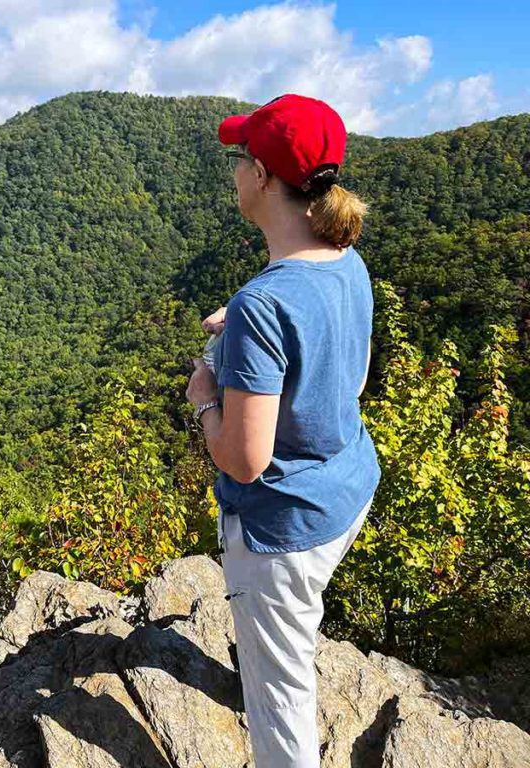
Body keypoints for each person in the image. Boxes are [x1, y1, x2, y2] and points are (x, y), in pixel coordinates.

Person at [183, 93, 382, 767]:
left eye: (241, 159)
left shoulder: (262, 307)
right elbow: (345, 378)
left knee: (280, 709)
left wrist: (206, 396)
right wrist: (240, 331)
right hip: (349, 488)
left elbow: (243, 459)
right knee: (286, 648)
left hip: (282, 532)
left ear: (264, 178)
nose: (234, 170)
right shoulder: (347, 260)